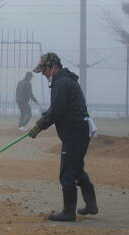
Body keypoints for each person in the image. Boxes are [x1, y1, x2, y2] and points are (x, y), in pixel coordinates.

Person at [27, 52, 98, 222]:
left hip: (75, 132)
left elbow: (57, 110)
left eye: (44, 71)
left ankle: (68, 212)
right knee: (76, 170)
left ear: (53, 67)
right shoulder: (64, 81)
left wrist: (40, 125)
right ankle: (91, 205)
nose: (43, 75)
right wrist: (42, 122)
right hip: (78, 131)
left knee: (67, 172)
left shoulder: (61, 83)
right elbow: (56, 109)